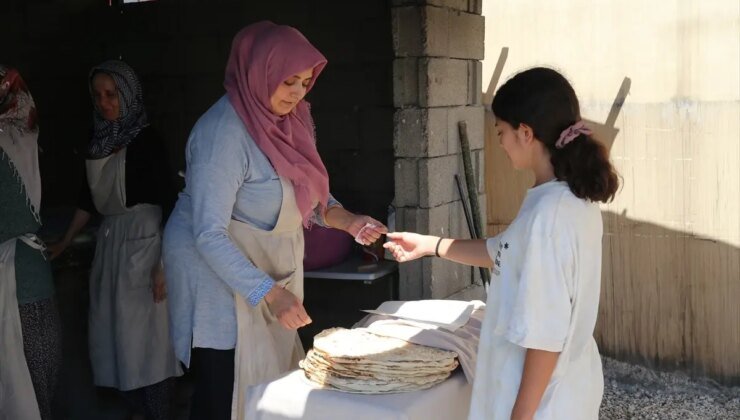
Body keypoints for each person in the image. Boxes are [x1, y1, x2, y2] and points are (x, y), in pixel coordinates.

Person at [162, 21, 387, 419]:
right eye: (288, 82)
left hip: (265, 265)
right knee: (226, 383)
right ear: (258, 73)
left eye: (305, 82)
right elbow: (208, 234)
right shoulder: (222, 135)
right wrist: (270, 292)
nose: (298, 92)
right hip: (215, 274)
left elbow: (313, 194)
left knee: (270, 378)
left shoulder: (293, 121)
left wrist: (349, 221)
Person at [385, 67, 620, 420]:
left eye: (500, 132)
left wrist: (520, 415)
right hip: (565, 389)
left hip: (542, 404)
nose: (499, 143)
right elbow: (502, 252)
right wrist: (428, 244)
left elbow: (545, 335)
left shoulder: (549, 217)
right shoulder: (567, 199)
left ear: (525, 133)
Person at [49, 60, 182, 419]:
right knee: (114, 339)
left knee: (147, 343)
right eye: (98, 96)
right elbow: (87, 200)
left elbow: (172, 202)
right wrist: (65, 241)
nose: (105, 103)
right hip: (111, 243)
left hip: (144, 240)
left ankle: (159, 412)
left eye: (112, 95)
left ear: (128, 95)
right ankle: (137, 410)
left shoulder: (148, 140)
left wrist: (164, 265)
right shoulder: (99, 141)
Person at [0, 65, 62, 420]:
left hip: (19, 279)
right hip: (33, 272)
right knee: (38, 385)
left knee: (23, 384)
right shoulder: (28, 135)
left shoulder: (6, 142)